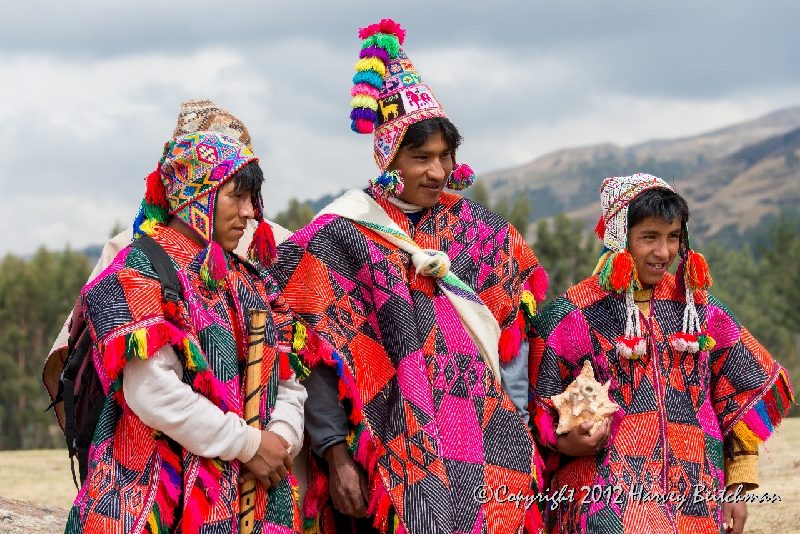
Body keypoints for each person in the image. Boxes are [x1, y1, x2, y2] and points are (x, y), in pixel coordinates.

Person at [272, 19, 549, 534]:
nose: (438, 172)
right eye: (421, 157)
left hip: (490, 442)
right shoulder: (338, 239)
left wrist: (521, 430)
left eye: (445, 156)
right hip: (386, 447)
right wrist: (335, 455)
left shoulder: (485, 235)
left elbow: (512, 349)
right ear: (386, 156)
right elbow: (315, 358)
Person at [63, 130, 306, 533]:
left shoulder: (248, 280)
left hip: (255, 498)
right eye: (237, 196)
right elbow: (150, 391)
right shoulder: (135, 272)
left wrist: (280, 439)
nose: (250, 213)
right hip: (158, 501)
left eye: (253, 199)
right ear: (199, 193)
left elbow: (287, 378)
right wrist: (248, 445)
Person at [528, 173, 794, 534]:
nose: (664, 252)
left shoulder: (702, 311)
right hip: (602, 503)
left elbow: (737, 400)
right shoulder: (568, 318)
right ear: (619, 238)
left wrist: (738, 485)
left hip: (696, 497)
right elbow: (532, 415)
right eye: (649, 237)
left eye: (673, 237)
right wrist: (568, 442)